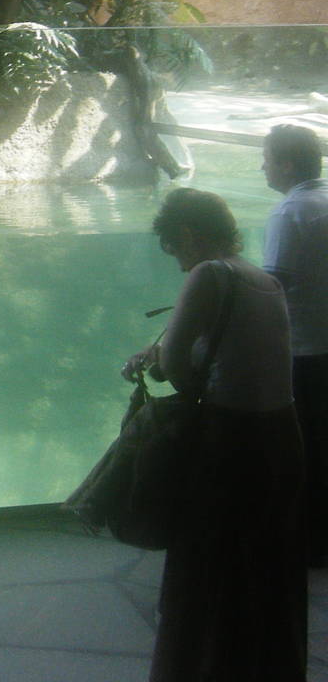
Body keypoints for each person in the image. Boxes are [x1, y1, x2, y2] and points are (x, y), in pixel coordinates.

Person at [122, 188, 304, 682]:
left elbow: (179, 369)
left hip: (230, 442)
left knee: (206, 566)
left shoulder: (210, 273)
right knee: (262, 565)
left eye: (175, 250)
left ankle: (198, 669)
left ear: (188, 235)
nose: (180, 266)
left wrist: (156, 365)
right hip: (280, 439)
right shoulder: (263, 280)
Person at [262, 122, 328, 563]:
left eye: (265, 159)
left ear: (285, 165)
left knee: (302, 450)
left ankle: (306, 543)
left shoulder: (290, 214)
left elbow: (272, 287)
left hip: (305, 353)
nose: (262, 168)